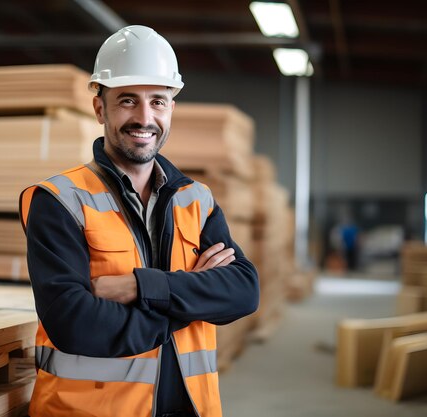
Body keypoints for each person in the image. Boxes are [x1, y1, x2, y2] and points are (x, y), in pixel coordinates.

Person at [19, 25, 259, 417]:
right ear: (100, 108)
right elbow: (75, 323)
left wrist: (138, 286)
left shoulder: (195, 200)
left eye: (158, 102)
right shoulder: (59, 201)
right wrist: (189, 301)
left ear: (171, 109)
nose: (144, 117)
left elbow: (243, 291)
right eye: (128, 101)